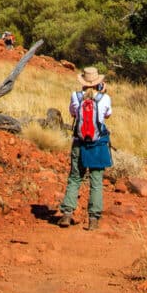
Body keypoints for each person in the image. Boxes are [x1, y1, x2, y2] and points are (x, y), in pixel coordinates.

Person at [58, 66, 112, 231]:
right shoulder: (105, 98)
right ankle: (93, 219)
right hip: (97, 144)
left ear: (83, 81)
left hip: (79, 143)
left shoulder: (75, 96)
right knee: (96, 182)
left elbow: (73, 113)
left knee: (75, 178)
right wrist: (104, 93)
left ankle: (67, 213)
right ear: (98, 82)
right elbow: (108, 115)